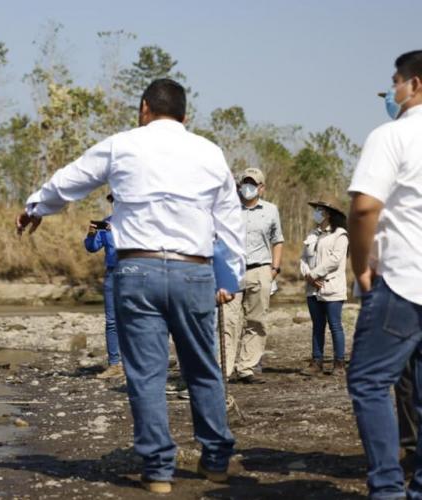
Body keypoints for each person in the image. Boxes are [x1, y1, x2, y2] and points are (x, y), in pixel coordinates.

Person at [16, 78, 245, 494]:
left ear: (144, 109)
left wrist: (36, 206)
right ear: (184, 115)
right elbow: (229, 225)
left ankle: (159, 471)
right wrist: (230, 280)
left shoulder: (122, 144)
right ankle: (215, 462)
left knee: (146, 375)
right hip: (194, 270)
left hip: (136, 271)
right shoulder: (210, 152)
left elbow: (71, 180)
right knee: (203, 368)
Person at [346, 50, 422, 498]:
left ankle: (387, 489)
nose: (392, 91)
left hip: (403, 277)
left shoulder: (393, 135)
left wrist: (361, 267)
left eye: (395, 82)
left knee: (370, 382)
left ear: (415, 85)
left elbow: (365, 206)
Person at [223, 167, 284, 384]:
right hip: (232, 269)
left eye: (253, 183)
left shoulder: (271, 210)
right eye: (244, 183)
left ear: (262, 187)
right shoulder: (228, 209)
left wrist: (274, 269)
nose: (247, 187)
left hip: (261, 269)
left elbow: (278, 240)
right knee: (227, 320)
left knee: (256, 321)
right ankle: (225, 368)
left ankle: (246, 367)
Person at [298, 197, 349, 377]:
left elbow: (334, 260)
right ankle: (316, 362)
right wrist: (307, 275)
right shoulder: (312, 234)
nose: (316, 213)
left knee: (335, 325)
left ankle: (339, 363)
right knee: (317, 325)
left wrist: (314, 274)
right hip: (313, 288)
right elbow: (304, 258)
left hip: (331, 287)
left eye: (320, 210)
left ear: (329, 213)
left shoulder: (340, 235)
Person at [84, 193, 122, 379]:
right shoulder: (104, 225)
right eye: (114, 199)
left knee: (139, 319)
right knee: (112, 321)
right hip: (112, 275)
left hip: (138, 273)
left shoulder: (141, 223)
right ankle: (115, 364)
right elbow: (91, 247)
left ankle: (138, 363)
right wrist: (92, 231)